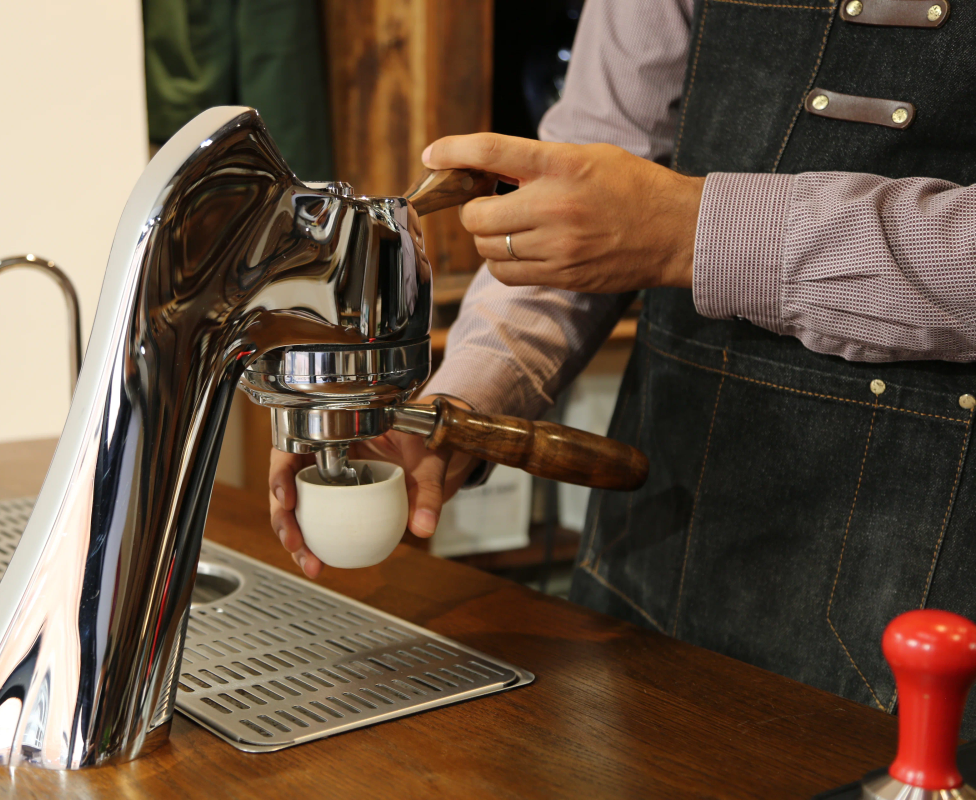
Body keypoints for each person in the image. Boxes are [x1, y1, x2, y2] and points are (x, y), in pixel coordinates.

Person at [268, 0, 976, 730]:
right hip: (654, 547)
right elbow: (583, 180)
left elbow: (649, 221)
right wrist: (458, 402)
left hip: (928, 589)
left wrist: (697, 232)